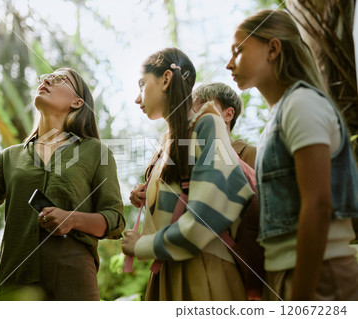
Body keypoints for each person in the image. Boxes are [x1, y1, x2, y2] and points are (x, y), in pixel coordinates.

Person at [0, 68, 125, 300]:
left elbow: (115, 220)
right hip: (14, 285)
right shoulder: (9, 157)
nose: (47, 80)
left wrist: (72, 219)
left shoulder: (96, 152)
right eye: (45, 77)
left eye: (60, 79)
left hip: (74, 283)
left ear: (77, 102)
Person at [226, 10, 358, 301]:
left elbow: (318, 204)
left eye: (238, 50)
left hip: (319, 277)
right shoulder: (280, 114)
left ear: (273, 48)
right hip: (289, 274)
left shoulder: (301, 105)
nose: (229, 64)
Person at [122, 47, 254, 300]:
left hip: (202, 272)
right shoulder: (168, 142)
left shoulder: (207, 124)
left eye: (142, 85)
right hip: (170, 270)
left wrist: (142, 245)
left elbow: (206, 215)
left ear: (166, 79)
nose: (138, 99)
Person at [192, 82, 256, 168]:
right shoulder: (195, 160)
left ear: (228, 115)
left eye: (204, 111)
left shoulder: (252, 154)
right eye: (194, 113)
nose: (195, 119)